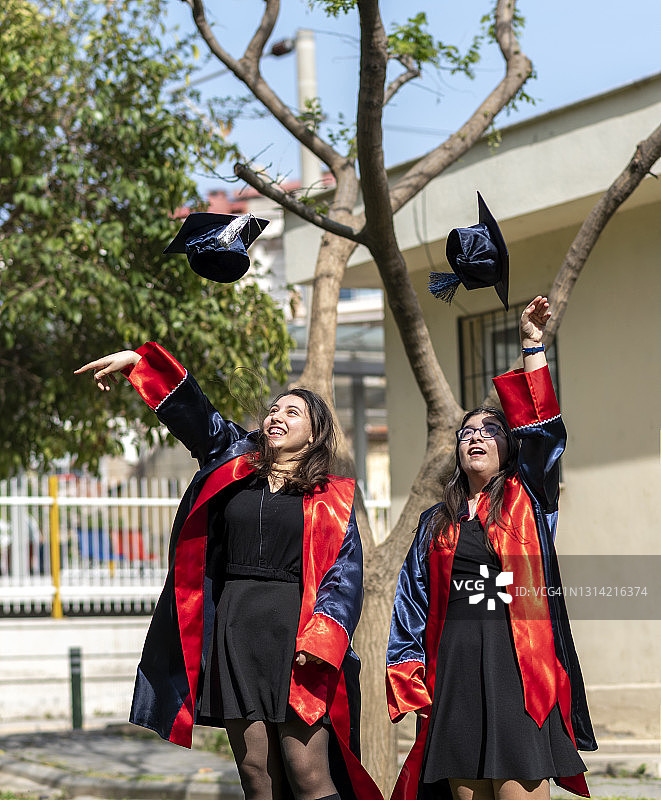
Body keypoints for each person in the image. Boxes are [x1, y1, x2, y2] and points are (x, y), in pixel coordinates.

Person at [75, 342, 382, 800]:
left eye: (292, 412)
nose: (277, 416)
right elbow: (197, 415)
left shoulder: (331, 496)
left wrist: (322, 640)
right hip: (236, 630)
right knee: (256, 772)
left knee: (308, 773)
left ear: (316, 431)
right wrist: (140, 364)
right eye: (274, 410)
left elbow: (344, 575)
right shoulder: (234, 459)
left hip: (297, 635)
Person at [386, 297, 597, 800]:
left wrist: (531, 346)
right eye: (466, 434)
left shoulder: (530, 496)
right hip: (455, 667)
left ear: (508, 447)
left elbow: (543, 431)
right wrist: (408, 674)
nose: (474, 438)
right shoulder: (434, 522)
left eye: (488, 431)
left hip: (518, 664)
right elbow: (411, 605)